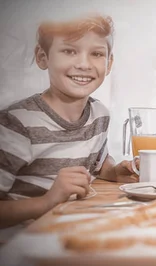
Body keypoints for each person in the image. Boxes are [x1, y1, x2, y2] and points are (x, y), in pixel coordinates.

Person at [0, 14, 138, 231]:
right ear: (42, 57)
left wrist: (114, 171)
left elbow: (98, 164)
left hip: (71, 233)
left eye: (96, 54)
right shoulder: (16, 123)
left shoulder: (99, 115)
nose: (84, 64)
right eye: (69, 51)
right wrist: (47, 202)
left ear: (109, 63)